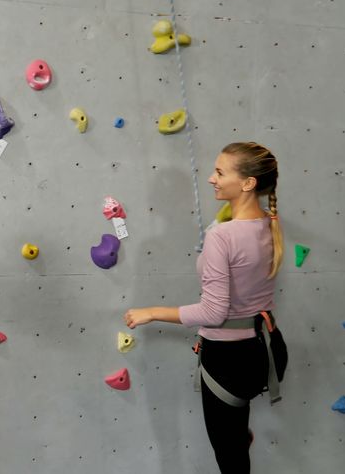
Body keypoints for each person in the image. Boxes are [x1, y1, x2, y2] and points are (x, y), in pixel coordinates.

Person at [123, 142, 287, 474]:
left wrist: (152, 312)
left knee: (229, 458)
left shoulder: (222, 237)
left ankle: (237, 442)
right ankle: (239, 438)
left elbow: (214, 313)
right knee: (234, 440)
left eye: (220, 172)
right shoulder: (268, 225)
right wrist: (224, 219)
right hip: (266, 350)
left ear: (248, 183)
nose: (211, 179)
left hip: (228, 360)